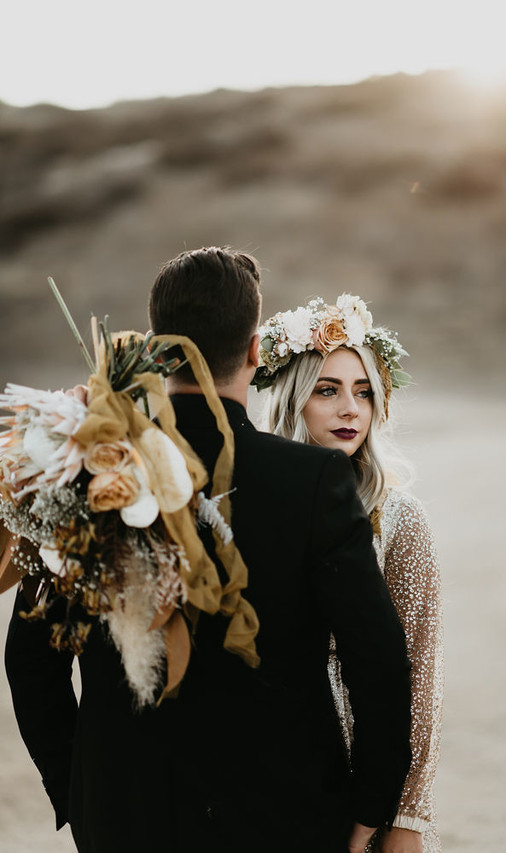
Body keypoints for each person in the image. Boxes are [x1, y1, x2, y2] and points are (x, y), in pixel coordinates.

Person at [5, 248, 412, 853]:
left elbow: (31, 663)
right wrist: (369, 808)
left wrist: (85, 797)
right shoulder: (315, 481)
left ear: (155, 350)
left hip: (128, 822)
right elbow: (377, 662)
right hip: (290, 821)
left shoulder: (86, 477)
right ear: (253, 352)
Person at [253, 294, 443, 853]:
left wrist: (408, 816)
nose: (349, 410)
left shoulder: (400, 518)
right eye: (327, 390)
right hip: (273, 763)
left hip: (368, 760)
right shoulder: (255, 502)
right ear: (293, 399)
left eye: (363, 392)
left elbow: (421, 671)